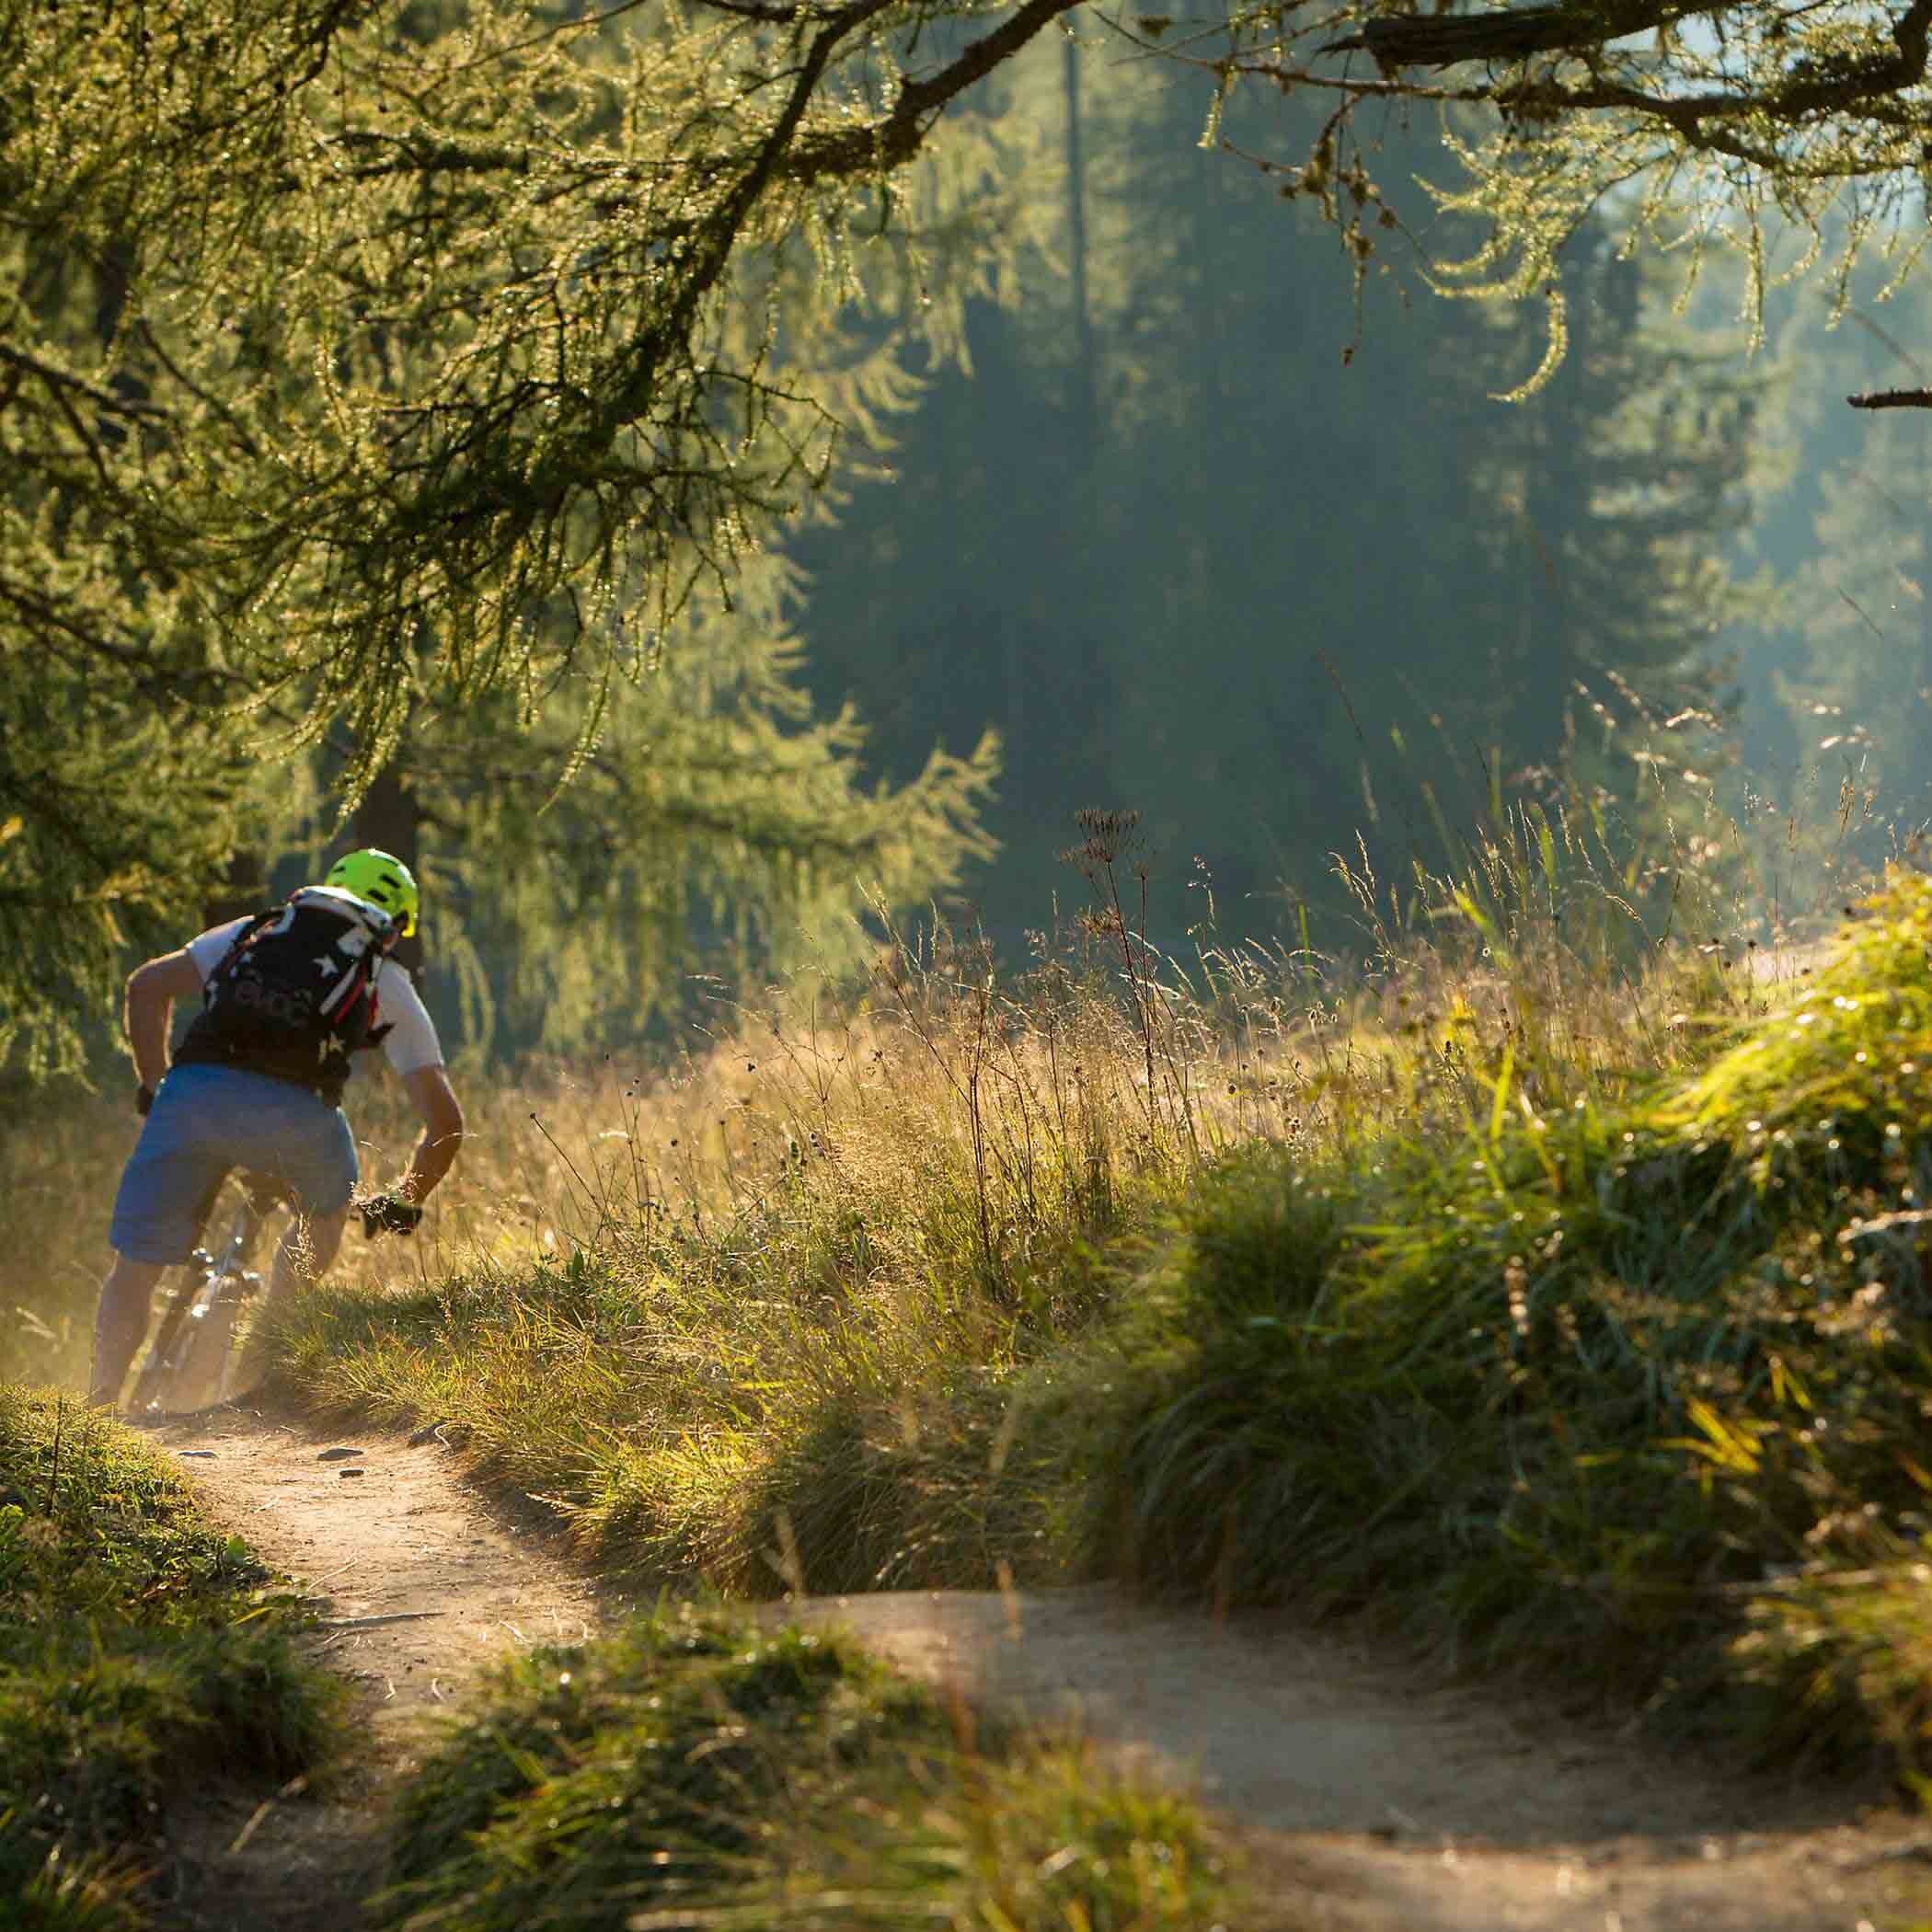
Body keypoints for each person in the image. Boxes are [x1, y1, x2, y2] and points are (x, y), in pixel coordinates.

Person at [87, 848, 466, 1410]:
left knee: (135, 1267)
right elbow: (446, 1124)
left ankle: (96, 1408)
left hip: (192, 1097)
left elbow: (147, 986)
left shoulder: (257, 931)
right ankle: (263, 1366)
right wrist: (404, 1200)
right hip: (299, 1121)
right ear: (393, 925)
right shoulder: (381, 975)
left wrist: (157, 1088)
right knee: (324, 1212)